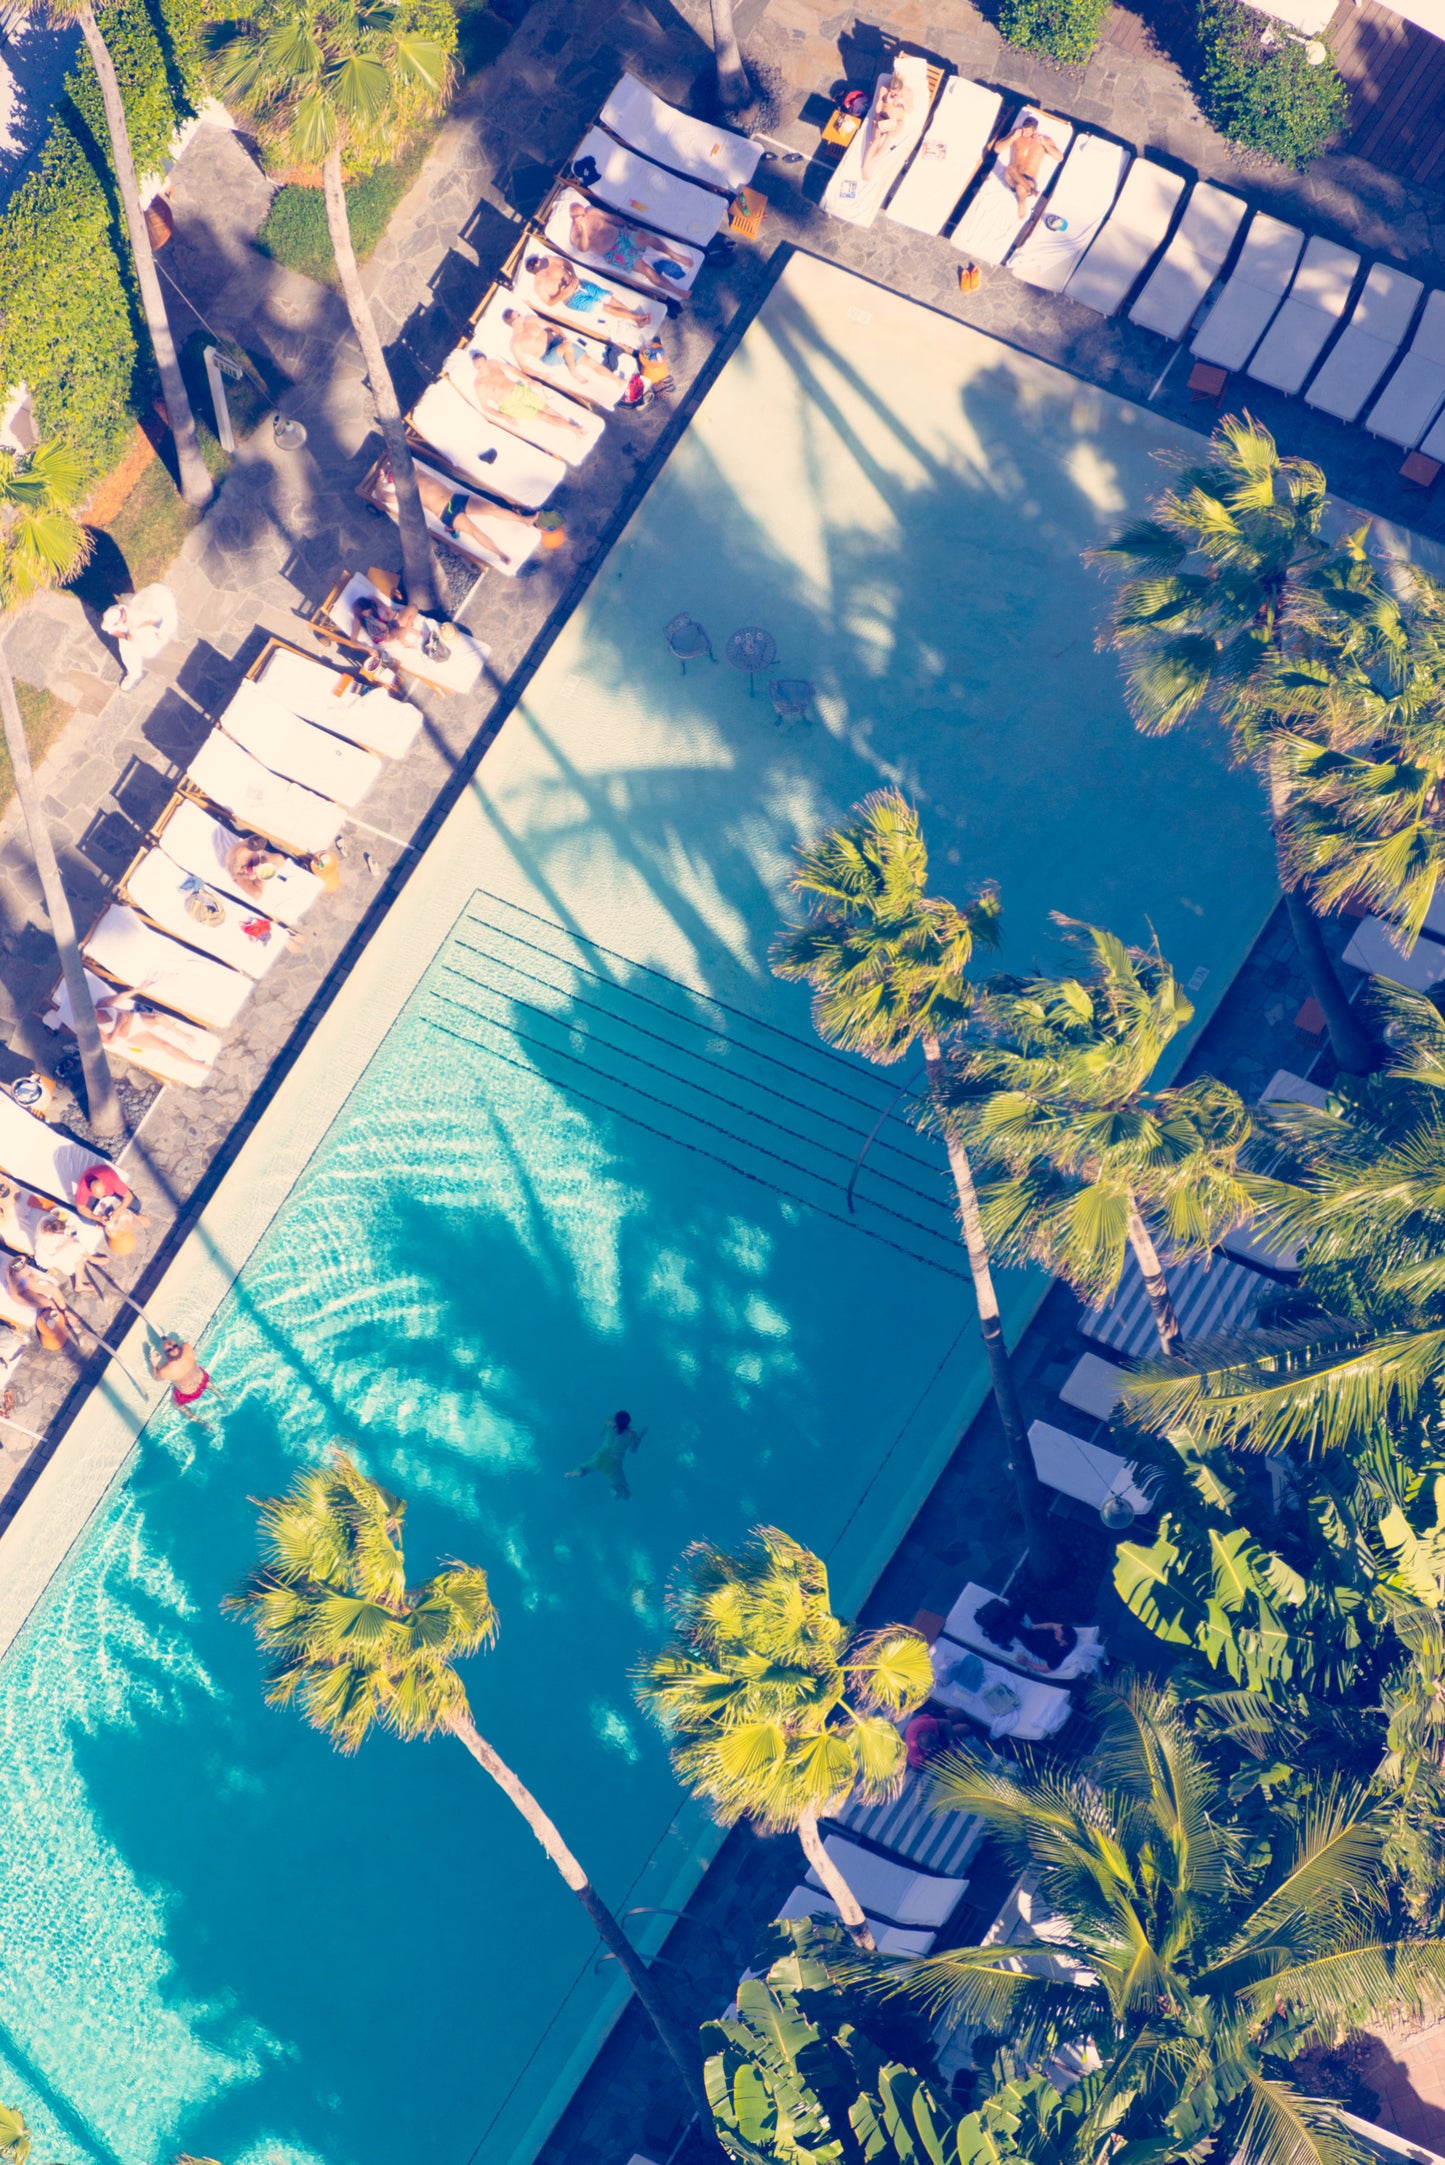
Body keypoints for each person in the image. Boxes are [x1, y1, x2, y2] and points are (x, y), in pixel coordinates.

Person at [372, 460, 534, 572]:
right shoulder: (405, 493)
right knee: (474, 531)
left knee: (492, 509)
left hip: (457, 498)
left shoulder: (414, 470)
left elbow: (398, 458)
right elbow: (382, 497)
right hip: (446, 512)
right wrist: (380, 480)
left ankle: (525, 521)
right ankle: (501, 554)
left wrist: (388, 466)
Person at [501, 307, 641, 407]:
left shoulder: (530, 320)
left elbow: (552, 326)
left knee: (590, 361)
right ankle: (573, 371)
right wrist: (541, 375)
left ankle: (617, 381)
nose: (521, 315)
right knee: (568, 347)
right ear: (513, 323)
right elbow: (523, 366)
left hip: (558, 342)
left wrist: (563, 336)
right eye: (518, 315)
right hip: (548, 356)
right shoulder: (515, 343)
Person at [564, 201, 694, 294]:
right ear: (574, 218)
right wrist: (583, 228)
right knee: (647, 270)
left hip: (622, 235)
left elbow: (612, 218)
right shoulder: (575, 234)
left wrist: (629, 224)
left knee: (650, 239)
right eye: (581, 215)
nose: (585, 215)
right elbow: (583, 248)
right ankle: (677, 291)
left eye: (584, 212)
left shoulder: (592, 212)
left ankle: (674, 255)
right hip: (615, 252)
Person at [466, 353, 589, 443]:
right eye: (478, 367)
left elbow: (512, 370)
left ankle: (572, 429)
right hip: (510, 405)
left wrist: (529, 380)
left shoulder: (494, 364)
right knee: (542, 415)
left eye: (483, 364)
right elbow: (485, 407)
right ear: (475, 368)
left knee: (548, 409)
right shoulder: (479, 384)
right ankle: (575, 429)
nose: (482, 369)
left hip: (519, 391)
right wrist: (505, 416)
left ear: (486, 361)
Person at [522, 252, 654, 334]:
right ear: (537, 271)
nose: (547, 266)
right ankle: (637, 318)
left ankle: (637, 320)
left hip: (580, 283)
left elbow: (566, 263)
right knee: (605, 307)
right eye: (543, 266)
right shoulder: (539, 285)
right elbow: (549, 303)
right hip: (572, 299)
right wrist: (561, 294)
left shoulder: (549, 260)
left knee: (609, 298)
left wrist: (573, 275)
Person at [101, 583, 179, 692]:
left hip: (144, 628)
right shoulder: (118, 609)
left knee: (150, 650)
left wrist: (140, 626)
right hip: (129, 632)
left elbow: (157, 619)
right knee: (126, 651)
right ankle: (134, 673)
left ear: (121, 617)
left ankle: (159, 639)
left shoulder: (140, 613)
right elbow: (110, 630)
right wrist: (125, 636)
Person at [566, 1408, 646, 1500]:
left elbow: (601, 1433)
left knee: (583, 1468)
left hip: (599, 1458)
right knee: (623, 1486)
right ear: (628, 1423)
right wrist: (640, 1437)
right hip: (613, 1464)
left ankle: (578, 1472)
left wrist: (609, 1421)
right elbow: (633, 1450)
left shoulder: (608, 1423)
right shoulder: (631, 1435)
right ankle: (616, 1490)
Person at [75, 1160, 151, 1255]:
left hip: (108, 1180)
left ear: (103, 1184)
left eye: (102, 1195)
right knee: (85, 1219)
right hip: (92, 1184)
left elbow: (128, 1196)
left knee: (136, 1205)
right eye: (99, 1197)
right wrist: (97, 1218)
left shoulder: (112, 1180)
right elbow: (80, 1208)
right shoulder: (83, 1188)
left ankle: (136, 1215)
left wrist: (117, 1212)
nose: (101, 1198)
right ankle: (101, 1223)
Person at [996, 116, 1064, 220]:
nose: (1024, 134)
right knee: (1010, 169)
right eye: (1023, 130)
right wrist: (1012, 137)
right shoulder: (1016, 134)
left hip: (1029, 180)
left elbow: (1060, 158)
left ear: (1034, 130)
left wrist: (1044, 144)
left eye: (1027, 132)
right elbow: (997, 149)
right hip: (1012, 177)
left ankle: (1022, 202)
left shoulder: (1045, 140)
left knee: (1020, 187)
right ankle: (1032, 191)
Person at [860, 69, 918, 183]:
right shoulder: (884, 90)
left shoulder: (907, 93)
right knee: (876, 139)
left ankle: (874, 159)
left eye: (895, 92)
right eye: (891, 90)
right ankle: (865, 168)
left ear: (900, 89)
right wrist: (881, 101)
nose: (892, 93)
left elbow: (910, 110)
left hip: (897, 121)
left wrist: (902, 102)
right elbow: (877, 109)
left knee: (889, 136)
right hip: (882, 118)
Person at [149, 1334, 215, 1419]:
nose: (170, 1345)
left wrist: (154, 1364)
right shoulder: (187, 1348)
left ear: (166, 1356)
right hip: (203, 1380)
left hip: (189, 1394)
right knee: (206, 1382)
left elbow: (156, 1378)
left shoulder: (165, 1371)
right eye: (174, 1346)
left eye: (170, 1348)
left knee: (176, 1404)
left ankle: (200, 1421)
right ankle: (220, 1395)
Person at [224, 838, 287, 903]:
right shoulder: (238, 858)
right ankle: (260, 880)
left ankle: (261, 878)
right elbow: (234, 875)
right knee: (257, 895)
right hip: (242, 875)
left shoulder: (255, 841)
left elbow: (261, 855)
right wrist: (248, 876)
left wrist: (261, 862)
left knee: (280, 859)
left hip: (254, 866)